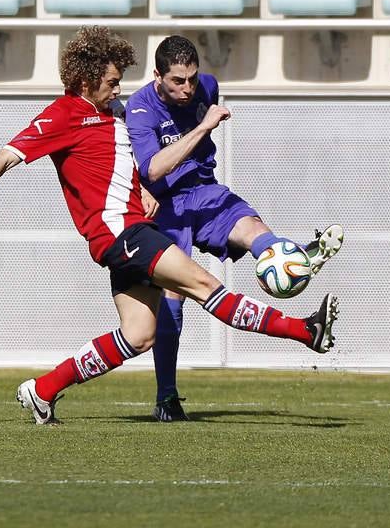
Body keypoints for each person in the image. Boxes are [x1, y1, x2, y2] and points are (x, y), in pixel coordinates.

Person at [0, 26, 340, 426]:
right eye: (112, 82)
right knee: (203, 286)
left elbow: (120, 166)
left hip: (125, 236)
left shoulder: (111, 113)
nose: (118, 90)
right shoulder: (61, 115)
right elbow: (5, 157)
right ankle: (306, 332)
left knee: (139, 334)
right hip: (124, 235)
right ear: (85, 80)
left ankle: (42, 391)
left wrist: (142, 190)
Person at [126, 35, 344, 422]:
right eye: (178, 80)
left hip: (204, 193)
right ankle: (166, 397)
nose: (188, 88)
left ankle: (291, 258)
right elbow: (152, 169)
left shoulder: (208, 87)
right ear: (157, 75)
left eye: (192, 78)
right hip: (166, 209)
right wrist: (201, 128)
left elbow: (196, 116)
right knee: (172, 303)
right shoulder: (141, 109)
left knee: (253, 227)